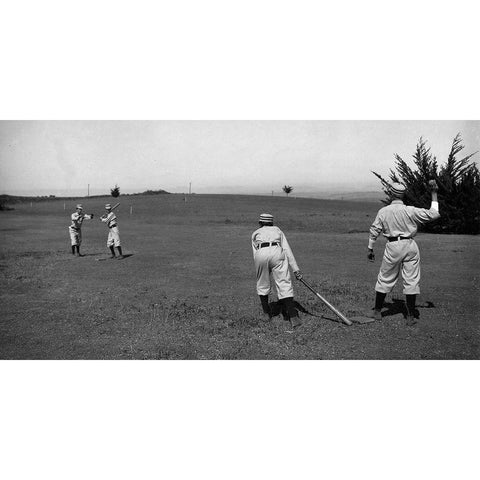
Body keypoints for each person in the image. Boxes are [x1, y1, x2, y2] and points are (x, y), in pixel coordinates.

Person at [367, 181, 440, 325]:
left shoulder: (383, 211)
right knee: (411, 280)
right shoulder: (410, 210)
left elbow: (374, 230)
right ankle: (410, 316)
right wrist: (434, 193)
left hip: (393, 246)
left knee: (385, 277)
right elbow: (434, 214)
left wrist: (370, 248)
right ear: (403, 195)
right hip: (410, 245)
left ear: (391, 193)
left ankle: (377, 311)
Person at [251, 213, 303, 328]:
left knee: (262, 283)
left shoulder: (255, 233)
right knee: (284, 282)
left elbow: (255, 253)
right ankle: (293, 316)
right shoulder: (277, 230)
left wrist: (261, 267)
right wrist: (296, 269)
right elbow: (287, 249)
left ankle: (266, 314)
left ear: (260, 223)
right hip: (276, 251)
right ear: (272, 223)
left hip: (260, 253)